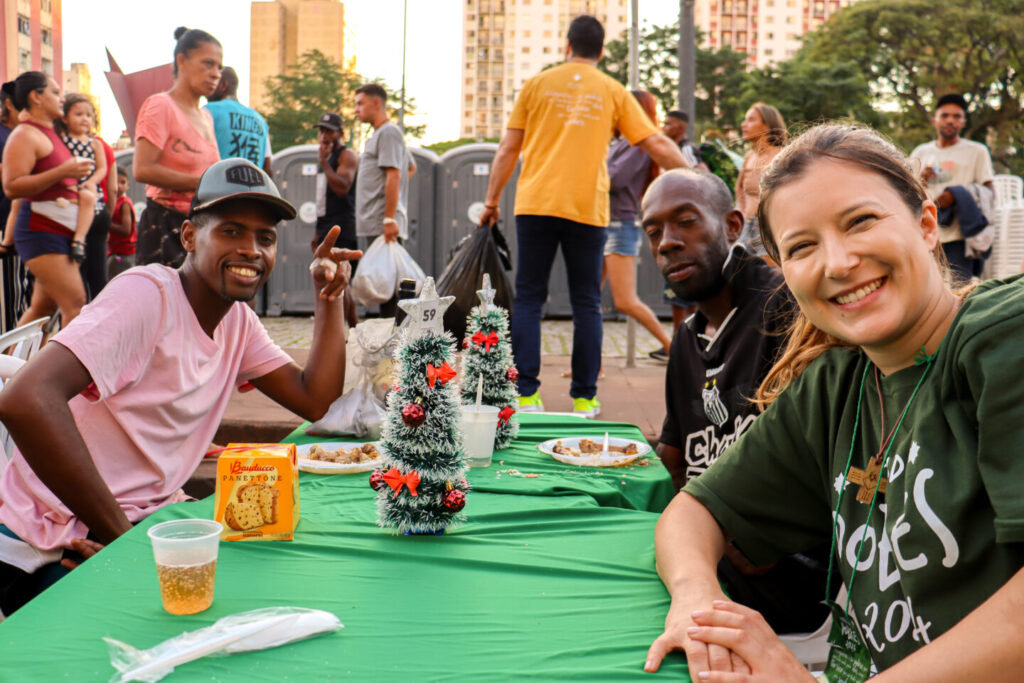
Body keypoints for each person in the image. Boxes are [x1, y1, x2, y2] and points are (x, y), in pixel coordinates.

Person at [643, 123, 1024, 681]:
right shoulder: (838, 382)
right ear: (785, 275)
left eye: (861, 222)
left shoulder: (1003, 337)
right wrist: (700, 605)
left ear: (925, 224)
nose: (838, 262)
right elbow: (692, 512)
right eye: (802, 247)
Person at [0, 158, 360, 616]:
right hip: (54, 540)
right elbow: (25, 400)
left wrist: (329, 299)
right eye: (231, 231)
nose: (252, 249)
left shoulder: (238, 323)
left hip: (143, 521)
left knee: (283, 584)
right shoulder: (147, 295)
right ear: (189, 237)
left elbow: (314, 400)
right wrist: (124, 540)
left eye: (265, 237)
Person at [642, 168, 833, 637]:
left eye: (685, 221)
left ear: (731, 225)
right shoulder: (687, 341)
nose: (667, 242)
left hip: (781, 579)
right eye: (653, 232)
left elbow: (819, 459)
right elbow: (675, 459)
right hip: (704, 559)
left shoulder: (787, 309)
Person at [477, 15, 688, 418]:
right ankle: (585, 399)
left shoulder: (538, 84)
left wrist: (490, 202)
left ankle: (526, 397)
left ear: (567, 45)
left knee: (529, 300)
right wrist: (694, 179)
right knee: (587, 303)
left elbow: (507, 149)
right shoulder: (611, 90)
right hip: (587, 210)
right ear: (602, 51)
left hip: (535, 204)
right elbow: (656, 142)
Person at [1, 72, 93, 328]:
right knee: (75, 304)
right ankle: (67, 369)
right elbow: (12, 186)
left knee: (42, 311)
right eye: (54, 92)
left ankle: (15, 366)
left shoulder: (48, 133)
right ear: (36, 96)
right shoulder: (24, 135)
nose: (61, 98)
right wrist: (63, 172)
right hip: (42, 230)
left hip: (59, 230)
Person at [133, 27, 221, 268]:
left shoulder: (206, 116)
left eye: (219, 67)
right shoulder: (160, 106)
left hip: (201, 225)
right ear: (182, 61)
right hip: (165, 225)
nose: (215, 74)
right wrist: (204, 183)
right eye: (208, 64)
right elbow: (142, 169)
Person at [603, 89, 672, 362]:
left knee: (625, 301)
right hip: (605, 224)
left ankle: (672, 347)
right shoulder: (622, 142)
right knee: (588, 304)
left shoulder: (637, 144)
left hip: (619, 226)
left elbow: (615, 179)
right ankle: (590, 368)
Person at [909, 93, 995, 280]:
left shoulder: (977, 151)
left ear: (963, 122)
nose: (950, 120)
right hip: (926, 234)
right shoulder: (921, 152)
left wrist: (957, 196)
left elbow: (989, 192)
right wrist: (921, 179)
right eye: (945, 115)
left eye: (957, 116)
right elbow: (906, 192)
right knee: (926, 288)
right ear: (935, 120)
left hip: (960, 236)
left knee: (958, 291)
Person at [353, 83, 415, 318]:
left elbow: (395, 173)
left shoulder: (388, 132)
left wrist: (390, 216)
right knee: (384, 287)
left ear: (376, 103)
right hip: (378, 221)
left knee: (387, 289)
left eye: (360, 103)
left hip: (382, 223)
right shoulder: (383, 134)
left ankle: (392, 349)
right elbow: (410, 167)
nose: (356, 109)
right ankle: (389, 345)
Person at [55, 93, 105, 264]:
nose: (84, 119)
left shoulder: (95, 143)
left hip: (88, 188)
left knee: (88, 200)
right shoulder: (62, 139)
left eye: (88, 115)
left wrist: (91, 182)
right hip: (66, 187)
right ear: (65, 117)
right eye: (78, 114)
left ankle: (79, 240)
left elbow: (102, 168)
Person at [735, 102, 787, 260]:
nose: (744, 125)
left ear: (767, 125)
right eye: (745, 120)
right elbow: (739, 189)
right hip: (747, 224)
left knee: (771, 278)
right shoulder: (749, 157)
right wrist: (743, 214)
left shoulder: (781, 155)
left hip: (769, 227)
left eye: (751, 120)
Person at [204, 66, 272, 175]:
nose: (208, 88)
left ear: (223, 85)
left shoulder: (208, 111)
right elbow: (267, 168)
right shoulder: (260, 120)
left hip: (218, 188)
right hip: (253, 189)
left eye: (213, 82)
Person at [106, 166, 137, 280]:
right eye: (116, 182)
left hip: (123, 254)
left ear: (128, 185)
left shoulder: (124, 204)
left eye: (122, 182)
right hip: (115, 251)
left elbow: (126, 230)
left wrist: (106, 224)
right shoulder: (114, 202)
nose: (119, 186)